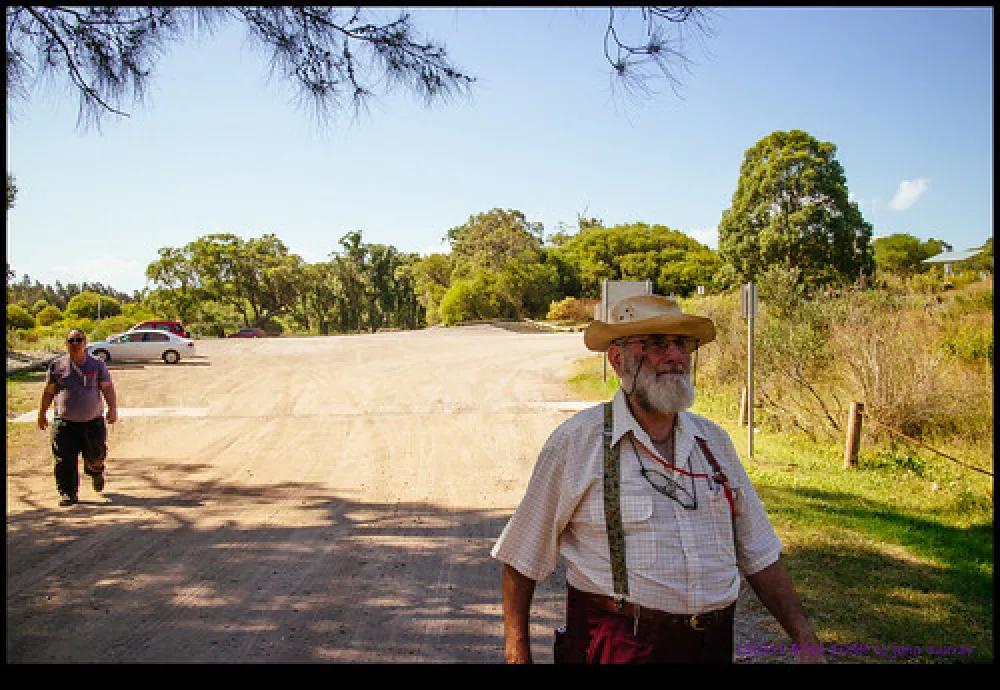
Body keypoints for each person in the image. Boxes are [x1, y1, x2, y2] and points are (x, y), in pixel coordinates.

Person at [491, 294, 824, 664]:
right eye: (655, 344)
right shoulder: (577, 442)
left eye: (682, 344)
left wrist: (803, 637)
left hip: (713, 647)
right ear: (618, 360)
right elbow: (521, 560)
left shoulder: (714, 442)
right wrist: (517, 655)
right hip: (618, 648)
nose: (675, 357)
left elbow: (759, 553)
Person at [37, 328, 118, 506]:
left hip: (92, 423)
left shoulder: (97, 365)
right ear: (66, 344)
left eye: (78, 340)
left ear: (85, 343)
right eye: (71, 341)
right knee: (64, 460)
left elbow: (107, 388)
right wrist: (42, 413)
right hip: (64, 423)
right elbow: (49, 392)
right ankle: (68, 493)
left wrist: (113, 408)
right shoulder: (56, 366)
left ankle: (96, 472)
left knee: (95, 456)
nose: (75, 344)